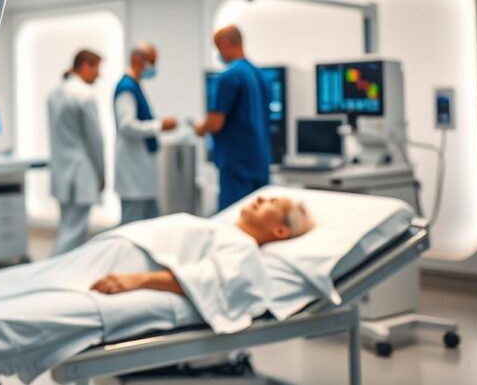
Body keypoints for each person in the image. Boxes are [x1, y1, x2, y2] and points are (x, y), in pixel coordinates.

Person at [91, 195, 314, 295]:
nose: (258, 199)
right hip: (118, 245)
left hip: (125, 259)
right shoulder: (222, 230)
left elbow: (206, 280)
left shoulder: (242, 246)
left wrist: (138, 279)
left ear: (280, 231)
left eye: (271, 203)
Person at [195, 25, 272, 211]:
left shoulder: (228, 77)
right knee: (261, 218)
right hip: (260, 161)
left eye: (218, 47)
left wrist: (200, 127)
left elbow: (215, 123)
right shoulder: (261, 76)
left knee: (235, 221)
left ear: (226, 43)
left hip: (237, 165)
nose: (218, 53)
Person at [48, 50, 106, 254]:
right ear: (85, 66)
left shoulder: (55, 93)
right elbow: (95, 140)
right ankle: (53, 275)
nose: (99, 75)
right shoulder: (85, 95)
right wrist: (101, 174)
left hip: (62, 174)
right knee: (72, 235)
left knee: (69, 228)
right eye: (97, 68)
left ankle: (64, 273)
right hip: (82, 173)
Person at [114, 42, 177, 225]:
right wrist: (159, 126)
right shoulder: (126, 88)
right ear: (137, 60)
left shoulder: (135, 86)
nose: (153, 68)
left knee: (150, 223)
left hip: (141, 173)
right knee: (131, 225)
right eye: (151, 62)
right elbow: (126, 126)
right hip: (133, 172)